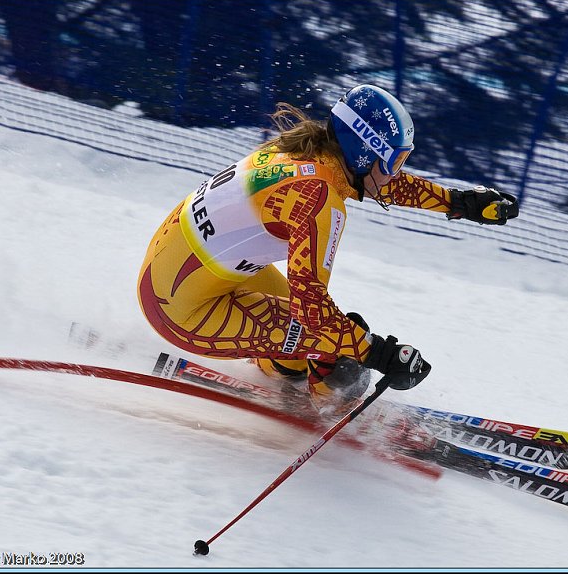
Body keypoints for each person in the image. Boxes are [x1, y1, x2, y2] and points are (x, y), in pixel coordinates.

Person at [137, 83, 519, 415]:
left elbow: (381, 183)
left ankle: (285, 370)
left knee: (328, 337)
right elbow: (312, 308)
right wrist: (378, 353)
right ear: (363, 153)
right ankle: (328, 405)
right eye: (393, 162)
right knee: (342, 350)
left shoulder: (305, 152)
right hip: (183, 312)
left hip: (174, 277)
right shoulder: (317, 199)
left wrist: (460, 202)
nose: (394, 173)